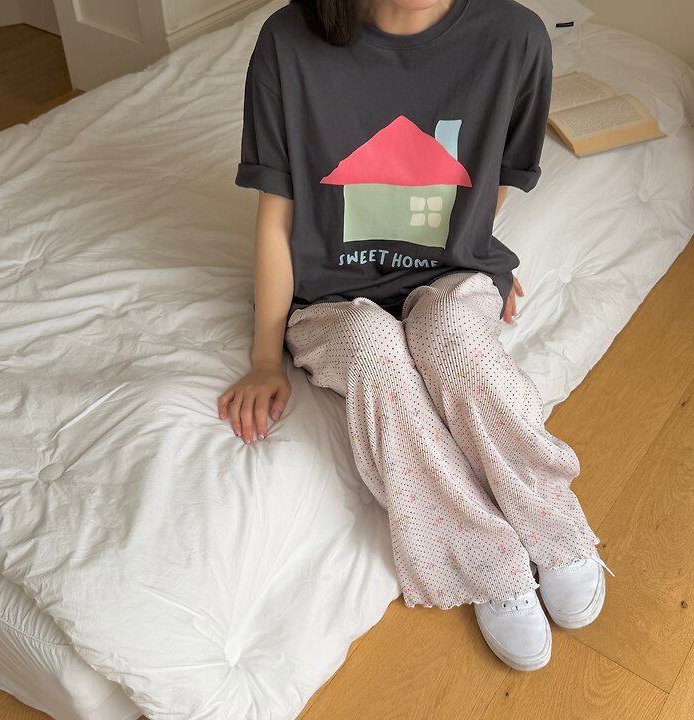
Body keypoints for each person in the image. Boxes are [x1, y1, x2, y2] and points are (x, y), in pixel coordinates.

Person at [219, 0, 611, 671]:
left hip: (451, 273)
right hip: (328, 297)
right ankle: (485, 560)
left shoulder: (514, 39)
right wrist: (263, 357)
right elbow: (276, 218)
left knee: (452, 335)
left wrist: (473, 248)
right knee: (372, 346)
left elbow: (490, 179)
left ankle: (553, 523)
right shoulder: (287, 42)